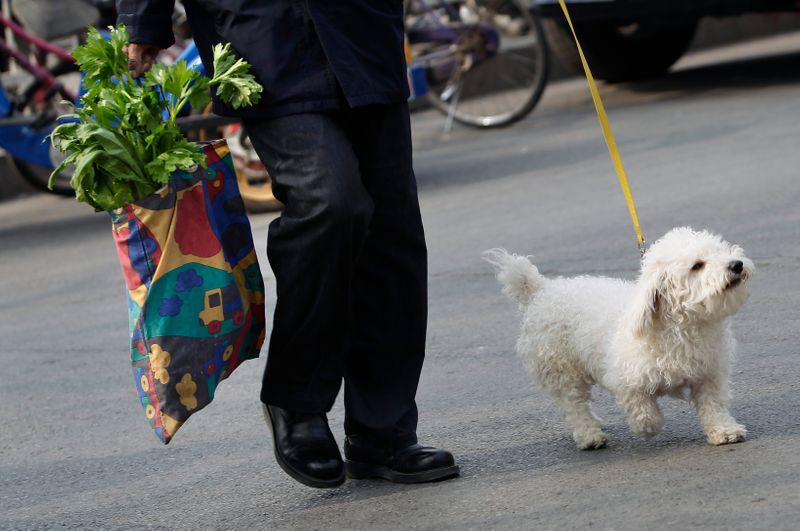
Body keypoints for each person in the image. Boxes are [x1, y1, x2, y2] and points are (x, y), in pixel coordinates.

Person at [117, 0, 459, 488]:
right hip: (261, 34)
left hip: (361, 28)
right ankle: (296, 397)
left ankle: (383, 429)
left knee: (391, 228)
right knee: (330, 201)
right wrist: (141, 22)